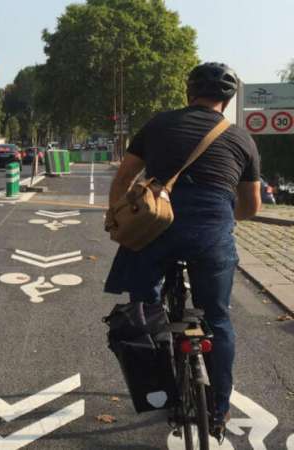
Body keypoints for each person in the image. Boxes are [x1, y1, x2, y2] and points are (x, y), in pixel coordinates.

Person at [104, 62, 261, 441]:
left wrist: (116, 216)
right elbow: (251, 206)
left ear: (188, 93)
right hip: (212, 234)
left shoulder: (159, 123)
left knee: (145, 305)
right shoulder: (242, 138)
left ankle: (157, 387)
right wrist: (223, 219)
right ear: (228, 100)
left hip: (159, 227)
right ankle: (218, 411)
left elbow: (125, 175)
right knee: (218, 320)